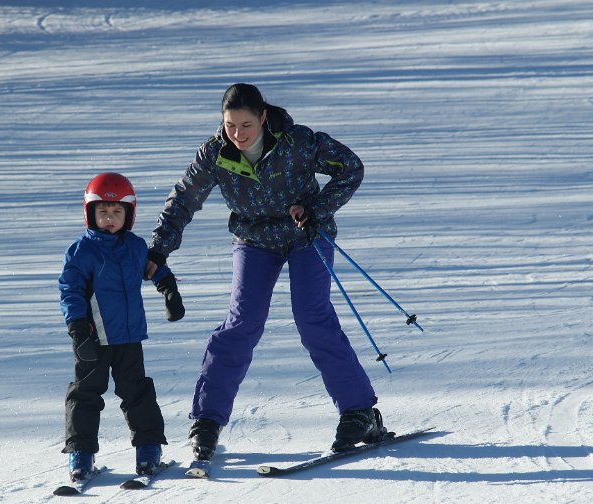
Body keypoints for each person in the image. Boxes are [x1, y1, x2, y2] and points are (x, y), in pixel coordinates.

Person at [146, 83, 388, 462]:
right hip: (254, 239)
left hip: (306, 234)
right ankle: (207, 420)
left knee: (312, 316)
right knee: (241, 323)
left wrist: (317, 208)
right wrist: (159, 249)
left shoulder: (297, 142)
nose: (238, 134)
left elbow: (350, 168)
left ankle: (359, 413)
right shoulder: (216, 153)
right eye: (230, 126)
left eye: (246, 125)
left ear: (262, 117)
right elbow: (184, 199)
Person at [59, 172, 184, 481]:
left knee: (137, 393)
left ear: (129, 213)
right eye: (102, 211)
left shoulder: (135, 246)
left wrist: (168, 289)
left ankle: (148, 451)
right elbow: (70, 291)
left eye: (117, 211)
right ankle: (80, 456)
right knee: (85, 395)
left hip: (129, 338)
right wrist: (77, 328)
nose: (109, 218)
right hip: (93, 339)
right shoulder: (82, 251)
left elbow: (153, 268)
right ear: (90, 213)